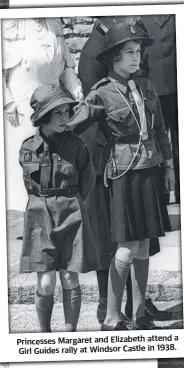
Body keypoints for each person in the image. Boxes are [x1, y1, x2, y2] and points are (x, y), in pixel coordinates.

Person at [67, 23, 175, 330]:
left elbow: (160, 132)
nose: (135, 57)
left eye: (138, 52)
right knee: (126, 249)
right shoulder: (100, 93)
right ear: (113, 58)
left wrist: (168, 169)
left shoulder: (146, 86)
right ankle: (112, 318)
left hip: (149, 174)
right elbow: (71, 130)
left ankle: (139, 314)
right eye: (128, 53)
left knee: (143, 247)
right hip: (122, 176)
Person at [19, 84, 99, 332]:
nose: (66, 117)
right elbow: (30, 186)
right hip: (39, 214)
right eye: (59, 113)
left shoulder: (76, 144)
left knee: (68, 276)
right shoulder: (28, 148)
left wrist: (71, 204)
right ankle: (45, 337)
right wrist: (46, 205)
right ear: (44, 116)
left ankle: (69, 336)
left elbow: (87, 179)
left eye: (67, 111)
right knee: (45, 282)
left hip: (71, 212)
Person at [2, 18, 83, 211]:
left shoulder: (53, 26)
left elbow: (67, 67)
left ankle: (54, 207)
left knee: (54, 160)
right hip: (22, 109)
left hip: (54, 105)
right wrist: (7, 100)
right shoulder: (9, 26)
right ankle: (27, 214)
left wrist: (75, 88)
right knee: (28, 161)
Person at [141, 15, 179, 204]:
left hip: (178, 90)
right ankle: (161, 199)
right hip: (153, 92)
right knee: (156, 145)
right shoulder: (141, 16)